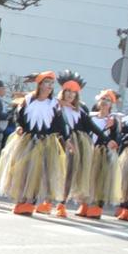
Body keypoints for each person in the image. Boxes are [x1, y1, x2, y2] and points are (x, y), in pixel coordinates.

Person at [0, 72, 67, 216]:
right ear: (39, 84)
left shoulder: (54, 105)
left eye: (52, 84)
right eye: (47, 82)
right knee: (22, 171)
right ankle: (21, 200)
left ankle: (30, 202)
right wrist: (19, 126)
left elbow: (60, 125)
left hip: (45, 142)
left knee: (37, 173)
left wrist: (66, 140)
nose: (50, 86)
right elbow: (18, 117)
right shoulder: (27, 100)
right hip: (26, 140)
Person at [75, 88, 121, 220]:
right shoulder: (91, 117)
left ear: (112, 104)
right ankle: (84, 203)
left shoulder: (113, 120)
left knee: (100, 179)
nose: (105, 102)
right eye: (103, 99)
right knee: (86, 178)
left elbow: (116, 136)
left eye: (108, 100)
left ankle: (97, 206)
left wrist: (112, 140)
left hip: (103, 152)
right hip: (90, 150)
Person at [52, 73, 91, 217]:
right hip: (55, 141)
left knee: (68, 173)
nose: (70, 95)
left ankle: (61, 203)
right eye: (68, 91)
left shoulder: (81, 111)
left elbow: (90, 126)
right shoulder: (54, 105)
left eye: (73, 92)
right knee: (51, 171)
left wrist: (105, 138)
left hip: (72, 144)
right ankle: (47, 200)